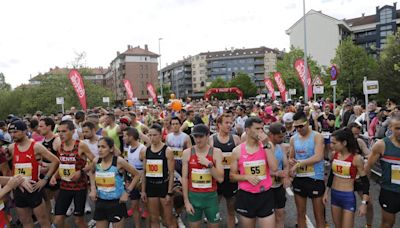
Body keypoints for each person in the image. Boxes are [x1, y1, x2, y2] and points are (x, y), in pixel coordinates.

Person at [8, 120, 60, 228]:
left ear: (24, 131)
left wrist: (45, 179)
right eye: (11, 132)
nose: (13, 135)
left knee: (43, 221)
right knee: (26, 221)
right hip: (18, 189)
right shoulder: (11, 148)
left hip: (33, 189)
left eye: (16, 132)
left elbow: (56, 161)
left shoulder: (36, 146)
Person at [230, 117, 278, 228]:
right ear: (247, 130)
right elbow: (232, 176)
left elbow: (274, 168)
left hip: (265, 194)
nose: (260, 132)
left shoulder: (267, 146)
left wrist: (266, 144)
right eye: (257, 129)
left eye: (262, 128)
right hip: (246, 196)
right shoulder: (237, 151)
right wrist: (246, 177)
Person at [50, 120, 95, 228]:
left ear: (72, 131)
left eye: (64, 131)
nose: (61, 134)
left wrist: (82, 170)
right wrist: (54, 176)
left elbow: (95, 161)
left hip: (79, 188)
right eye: (59, 131)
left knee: (79, 220)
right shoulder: (60, 146)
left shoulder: (81, 145)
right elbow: (62, 164)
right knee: (58, 219)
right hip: (64, 186)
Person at [322, 128, 369, 228]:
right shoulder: (335, 155)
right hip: (335, 195)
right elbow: (332, 175)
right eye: (331, 143)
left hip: (347, 196)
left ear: (344, 143)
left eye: (334, 143)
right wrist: (326, 192)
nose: (331, 145)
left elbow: (365, 182)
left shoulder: (356, 158)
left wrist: (364, 203)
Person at [89, 137, 140, 228]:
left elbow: (137, 175)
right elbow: (91, 172)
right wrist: (93, 189)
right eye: (98, 147)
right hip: (100, 202)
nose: (100, 150)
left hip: (116, 203)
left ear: (111, 149)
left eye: (103, 147)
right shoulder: (96, 161)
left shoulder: (119, 161)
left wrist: (127, 192)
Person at [182, 124, 224, 228]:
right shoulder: (187, 153)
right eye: (195, 137)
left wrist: (209, 164)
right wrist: (186, 201)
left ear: (208, 136)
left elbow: (220, 178)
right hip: (194, 197)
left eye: (201, 136)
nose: (198, 140)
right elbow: (184, 178)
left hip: (211, 198)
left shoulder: (216, 152)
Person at [289, 111, 325, 228]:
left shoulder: (317, 136)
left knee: (319, 215)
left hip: (315, 178)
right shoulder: (293, 139)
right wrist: (291, 162)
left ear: (307, 123)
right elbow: (291, 157)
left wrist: (299, 164)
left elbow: (318, 156)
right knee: (300, 213)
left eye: (301, 126)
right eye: (296, 127)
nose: (298, 129)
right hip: (299, 178)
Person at [365, 113, 400, 228]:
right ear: (390, 128)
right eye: (397, 128)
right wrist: (366, 191)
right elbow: (368, 167)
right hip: (390, 191)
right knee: (387, 223)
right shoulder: (382, 145)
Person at [208, 113, 240, 228]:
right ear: (219, 125)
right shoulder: (211, 140)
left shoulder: (235, 139)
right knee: (213, 211)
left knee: (231, 211)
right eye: (226, 123)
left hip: (231, 180)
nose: (229, 125)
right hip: (217, 180)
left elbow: (240, 159)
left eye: (230, 123)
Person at [141, 124, 175, 228]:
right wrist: (143, 190)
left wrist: (169, 192)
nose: (151, 138)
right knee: (154, 218)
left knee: (168, 220)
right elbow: (144, 172)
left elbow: (172, 173)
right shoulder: (145, 151)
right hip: (151, 188)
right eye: (150, 135)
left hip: (163, 187)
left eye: (154, 135)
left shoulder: (167, 151)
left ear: (160, 135)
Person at [123, 127, 147, 228]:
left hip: (143, 183)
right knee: (134, 206)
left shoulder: (142, 150)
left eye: (125, 136)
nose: (123, 138)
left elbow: (146, 171)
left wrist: (143, 189)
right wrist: (127, 180)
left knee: (148, 208)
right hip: (133, 182)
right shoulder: (128, 147)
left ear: (131, 137)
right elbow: (128, 166)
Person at [268, 122, 290, 228]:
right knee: (268, 217)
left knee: (280, 214)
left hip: (279, 187)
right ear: (271, 135)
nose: (282, 138)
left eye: (283, 136)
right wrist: (277, 173)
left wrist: (285, 176)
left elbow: (285, 165)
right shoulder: (265, 147)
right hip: (267, 187)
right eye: (279, 136)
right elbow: (263, 169)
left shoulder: (281, 147)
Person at [38, 117, 62, 215]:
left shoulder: (57, 141)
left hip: (56, 176)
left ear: (49, 127)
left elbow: (63, 161)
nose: (39, 128)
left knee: (59, 204)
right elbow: (40, 159)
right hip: (45, 175)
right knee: (47, 200)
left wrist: (49, 169)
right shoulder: (42, 142)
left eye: (41, 126)